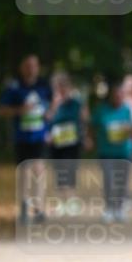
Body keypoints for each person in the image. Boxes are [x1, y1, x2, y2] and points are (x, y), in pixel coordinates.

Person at [0, 54, 51, 222]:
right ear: (22, 68)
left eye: (34, 65)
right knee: (24, 174)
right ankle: (23, 207)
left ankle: (38, 209)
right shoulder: (14, 88)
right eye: (27, 65)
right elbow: (2, 110)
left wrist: (50, 120)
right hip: (21, 138)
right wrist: (20, 110)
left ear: (38, 67)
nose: (31, 69)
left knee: (38, 171)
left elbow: (53, 106)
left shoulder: (44, 86)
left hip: (40, 137)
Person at [91, 80, 132, 222]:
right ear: (111, 96)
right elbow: (92, 126)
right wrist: (92, 140)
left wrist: (127, 129)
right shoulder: (101, 110)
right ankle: (109, 208)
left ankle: (118, 209)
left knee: (122, 181)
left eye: (120, 95)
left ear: (123, 95)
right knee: (108, 180)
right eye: (115, 95)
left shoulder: (129, 109)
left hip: (125, 152)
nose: (117, 97)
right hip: (106, 152)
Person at [45, 71, 89, 202]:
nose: (61, 89)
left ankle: (71, 198)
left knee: (70, 169)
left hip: (72, 142)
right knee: (58, 170)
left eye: (63, 86)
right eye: (58, 87)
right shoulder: (51, 102)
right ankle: (61, 200)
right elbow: (47, 119)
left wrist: (85, 136)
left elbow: (85, 120)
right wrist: (55, 105)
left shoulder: (77, 102)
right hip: (56, 142)